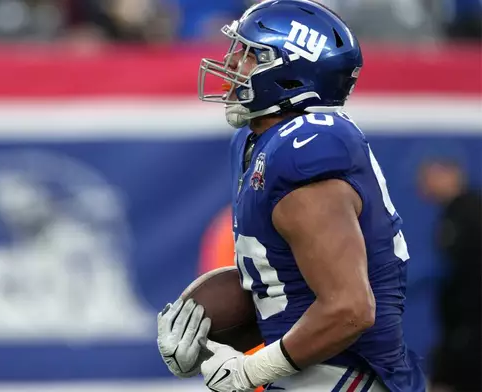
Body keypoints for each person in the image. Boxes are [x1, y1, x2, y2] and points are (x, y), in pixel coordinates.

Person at [156, 0, 426, 391]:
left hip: (350, 378)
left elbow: (350, 310)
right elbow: (281, 286)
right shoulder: (258, 142)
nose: (231, 65)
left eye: (249, 56)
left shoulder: (306, 147)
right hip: (311, 370)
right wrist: (201, 338)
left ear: (289, 73)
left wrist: (251, 371)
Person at [418, 160, 481, 392]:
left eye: (428, 177)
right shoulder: (452, 213)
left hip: (470, 328)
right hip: (458, 329)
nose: (422, 186)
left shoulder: (469, 213)